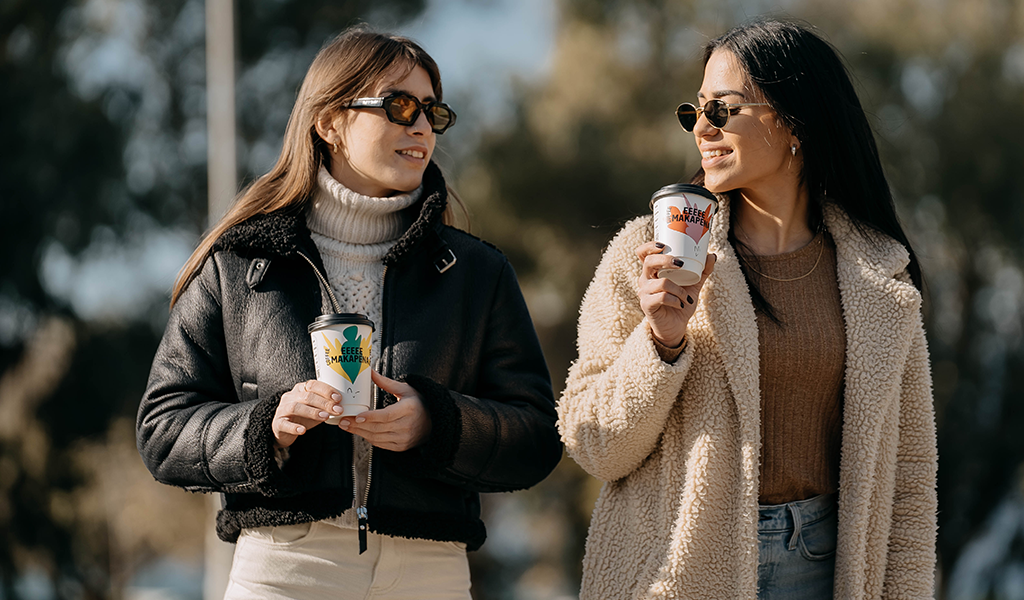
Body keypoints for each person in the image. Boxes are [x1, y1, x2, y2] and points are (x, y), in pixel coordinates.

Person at [136, 26, 562, 599]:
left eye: (431, 113)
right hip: (282, 571)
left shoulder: (477, 274)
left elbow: (536, 436)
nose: (419, 127)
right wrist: (266, 426)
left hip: (428, 571)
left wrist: (437, 424)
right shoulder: (237, 264)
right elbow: (163, 429)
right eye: (399, 105)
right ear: (329, 122)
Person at [557, 18, 937, 600]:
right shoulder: (647, 254)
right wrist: (660, 344)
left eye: (723, 110)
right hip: (677, 576)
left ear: (795, 122)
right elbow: (593, 445)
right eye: (695, 112)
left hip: (828, 567)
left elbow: (910, 480)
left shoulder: (880, 276)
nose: (702, 130)